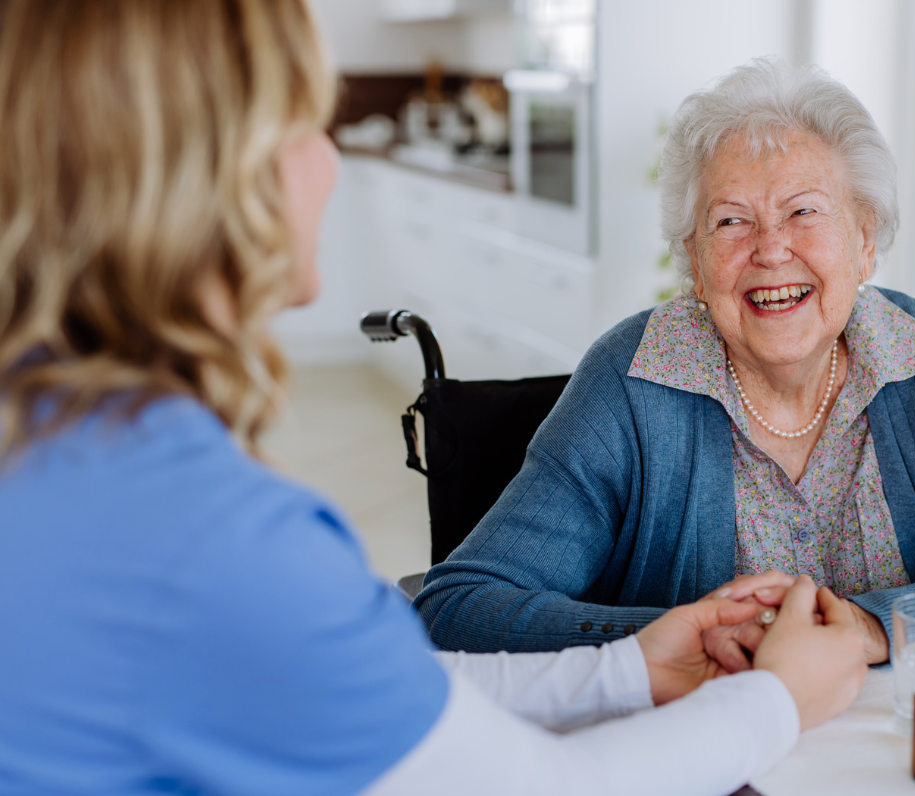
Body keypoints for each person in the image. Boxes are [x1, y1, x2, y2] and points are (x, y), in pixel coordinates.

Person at [0, 3, 870, 795]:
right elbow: (546, 787)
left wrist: (628, 668)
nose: (330, 158)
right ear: (211, 176)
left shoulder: (57, 447)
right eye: (305, 124)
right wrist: (777, 700)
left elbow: (386, 685)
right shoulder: (214, 543)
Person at [415, 57, 915, 667]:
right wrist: (679, 639)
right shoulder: (630, 380)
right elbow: (458, 604)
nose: (771, 248)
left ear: (865, 240)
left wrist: (872, 626)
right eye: (731, 220)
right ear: (694, 260)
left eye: (804, 212)